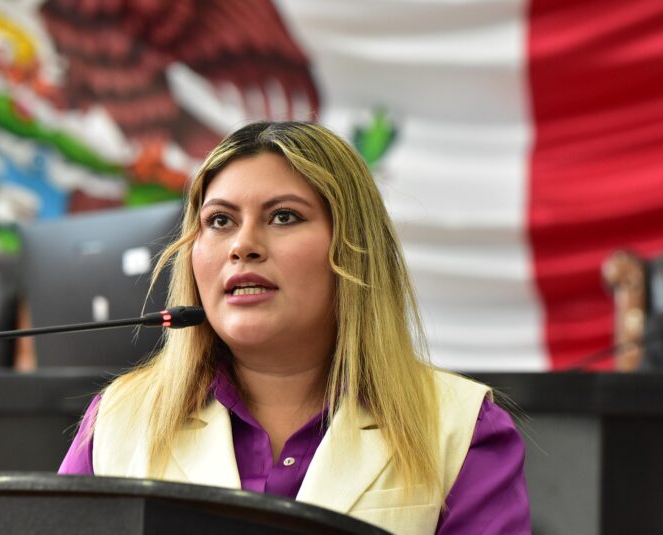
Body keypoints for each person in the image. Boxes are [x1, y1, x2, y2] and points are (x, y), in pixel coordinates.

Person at [59, 121, 531, 534]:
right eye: (219, 220)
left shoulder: (459, 428)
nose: (243, 245)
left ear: (354, 249)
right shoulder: (120, 420)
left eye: (284, 217)